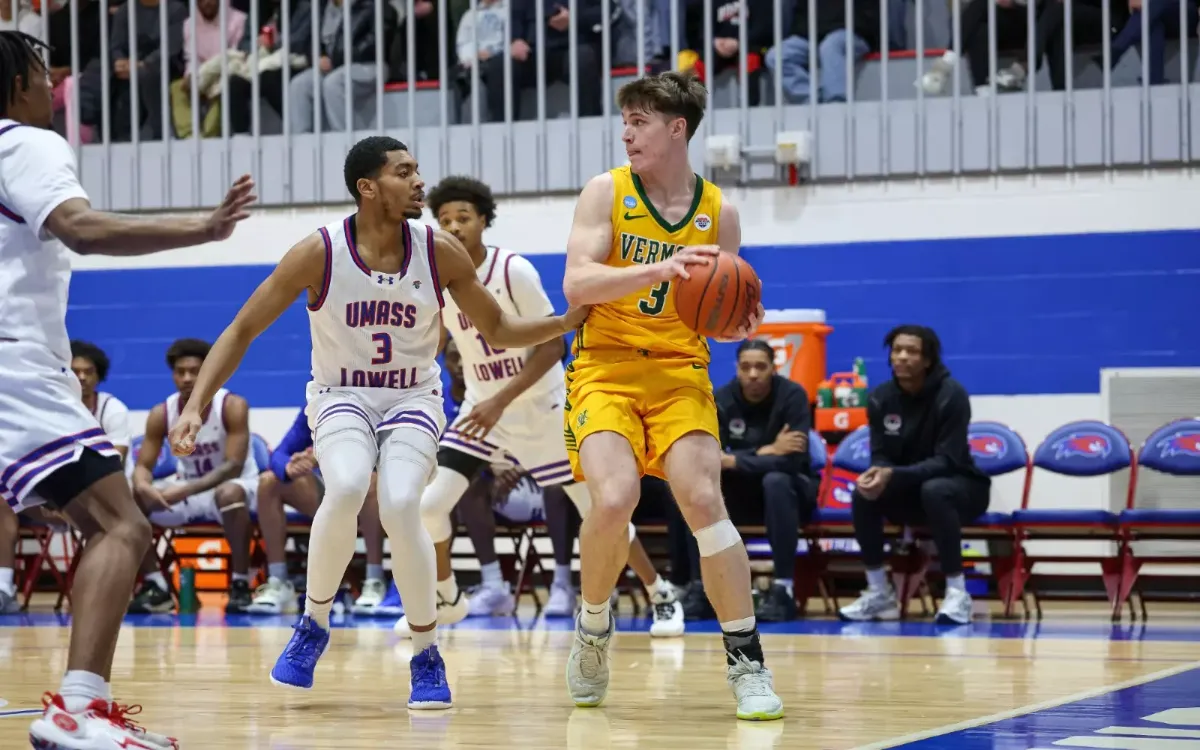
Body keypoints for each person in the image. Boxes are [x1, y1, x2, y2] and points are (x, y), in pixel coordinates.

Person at [166, 136, 587, 710]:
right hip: (341, 394)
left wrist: (564, 321)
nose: (420, 182)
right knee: (342, 485)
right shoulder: (319, 252)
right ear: (368, 188)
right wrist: (194, 406)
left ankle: (426, 653)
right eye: (404, 172)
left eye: (417, 171)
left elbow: (501, 329)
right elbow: (241, 329)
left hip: (414, 397)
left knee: (399, 504)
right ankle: (313, 625)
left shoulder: (439, 251)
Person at [0, 29, 254, 748]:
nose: (53, 86)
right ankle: (78, 712)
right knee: (124, 526)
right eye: (44, 72)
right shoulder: (23, 142)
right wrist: (201, 229)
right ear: (17, 84)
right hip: (16, 366)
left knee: (98, 520)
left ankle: (79, 708)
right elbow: (80, 228)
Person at [559, 69, 781, 720]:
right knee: (614, 496)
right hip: (605, 365)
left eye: (640, 122)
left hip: (681, 368)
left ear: (676, 128)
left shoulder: (719, 211)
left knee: (705, 498)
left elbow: (721, 303)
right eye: (623, 122)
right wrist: (657, 268)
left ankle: (747, 663)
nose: (626, 133)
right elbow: (577, 283)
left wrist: (739, 322)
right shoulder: (607, 192)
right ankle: (594, 629)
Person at [406, 175, 684, 638]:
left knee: (602, 513)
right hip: (482, 407)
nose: (453, 227)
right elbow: (439, 339)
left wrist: (500, 400)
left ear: (483, 221)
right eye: (445, 220)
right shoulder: (440, 281)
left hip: (542, 409)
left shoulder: (512, 271)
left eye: (463, 218)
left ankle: (660, 592)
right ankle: (447, 596)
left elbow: (554, 347)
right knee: (429, 506)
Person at [838, 325, 991, 626]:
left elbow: (947, 461)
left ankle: (957, 593)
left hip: (962, 487)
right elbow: (880, 453)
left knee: (935, 489)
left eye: (912, 351)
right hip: (910, 487)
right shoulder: (881, 397)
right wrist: (877, 472)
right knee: (863, 494)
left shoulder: (952, 395)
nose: (902, 357)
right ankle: (879, 591)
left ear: (928, 360)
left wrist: (892, 474)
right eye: (897, 351)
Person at [129, 338, 260, 614]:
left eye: (195, 371)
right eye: (180, 372)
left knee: (230, 493)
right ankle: (156, 586)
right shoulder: (161, 413)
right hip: (188, 488)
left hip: (235, 488)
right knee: (131, 498)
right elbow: (143, 466)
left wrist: (184, 490)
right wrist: (142, 486)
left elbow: (233, 466)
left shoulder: (232, 405)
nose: (187, 378)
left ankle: (240, 583)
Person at [247, 406, 393, 617]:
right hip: (327, 489)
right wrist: (289, 466)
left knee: (371, 481)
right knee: (268, 481)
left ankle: (374, 579)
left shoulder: (373, 399)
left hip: (366, 486)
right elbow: (279, 453)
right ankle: (278, 581)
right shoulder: (315, 404)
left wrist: (325, 453)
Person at [713, 339, 817, 622]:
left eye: (761, 366)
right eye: (746, 367)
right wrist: (767, 451)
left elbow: (793, 460)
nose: (753, 374)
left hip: (792, 493)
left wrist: (735, 459)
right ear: (737, 369)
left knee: (776, 481)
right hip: (741, 494)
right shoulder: (721, 400)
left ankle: (783, 588)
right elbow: (713, 460)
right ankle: (699, 587)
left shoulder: (793, 396)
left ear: (774, 368)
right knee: (698, 489)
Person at [69, 340, 132, 464]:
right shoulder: (55, 408)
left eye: (88, 372)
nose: (82, 377)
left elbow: (116, 461)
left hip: (108, 479)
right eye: (75, 371)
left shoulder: (113, 409)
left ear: (99, 375)